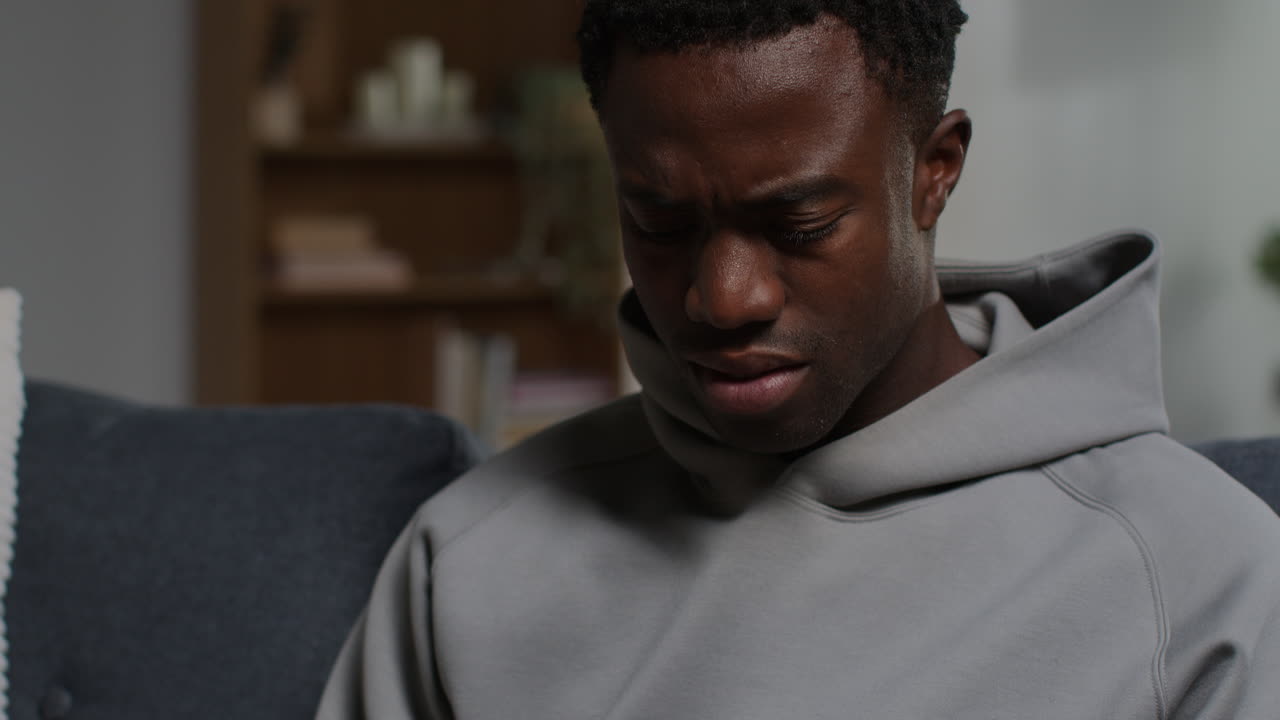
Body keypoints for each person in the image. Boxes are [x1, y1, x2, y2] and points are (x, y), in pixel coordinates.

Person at [316, 2, 1280, 718]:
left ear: (932, 172)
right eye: (658, 223)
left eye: (800, 223)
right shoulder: (471, 557)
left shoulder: (1201, 573)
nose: (723, 298)